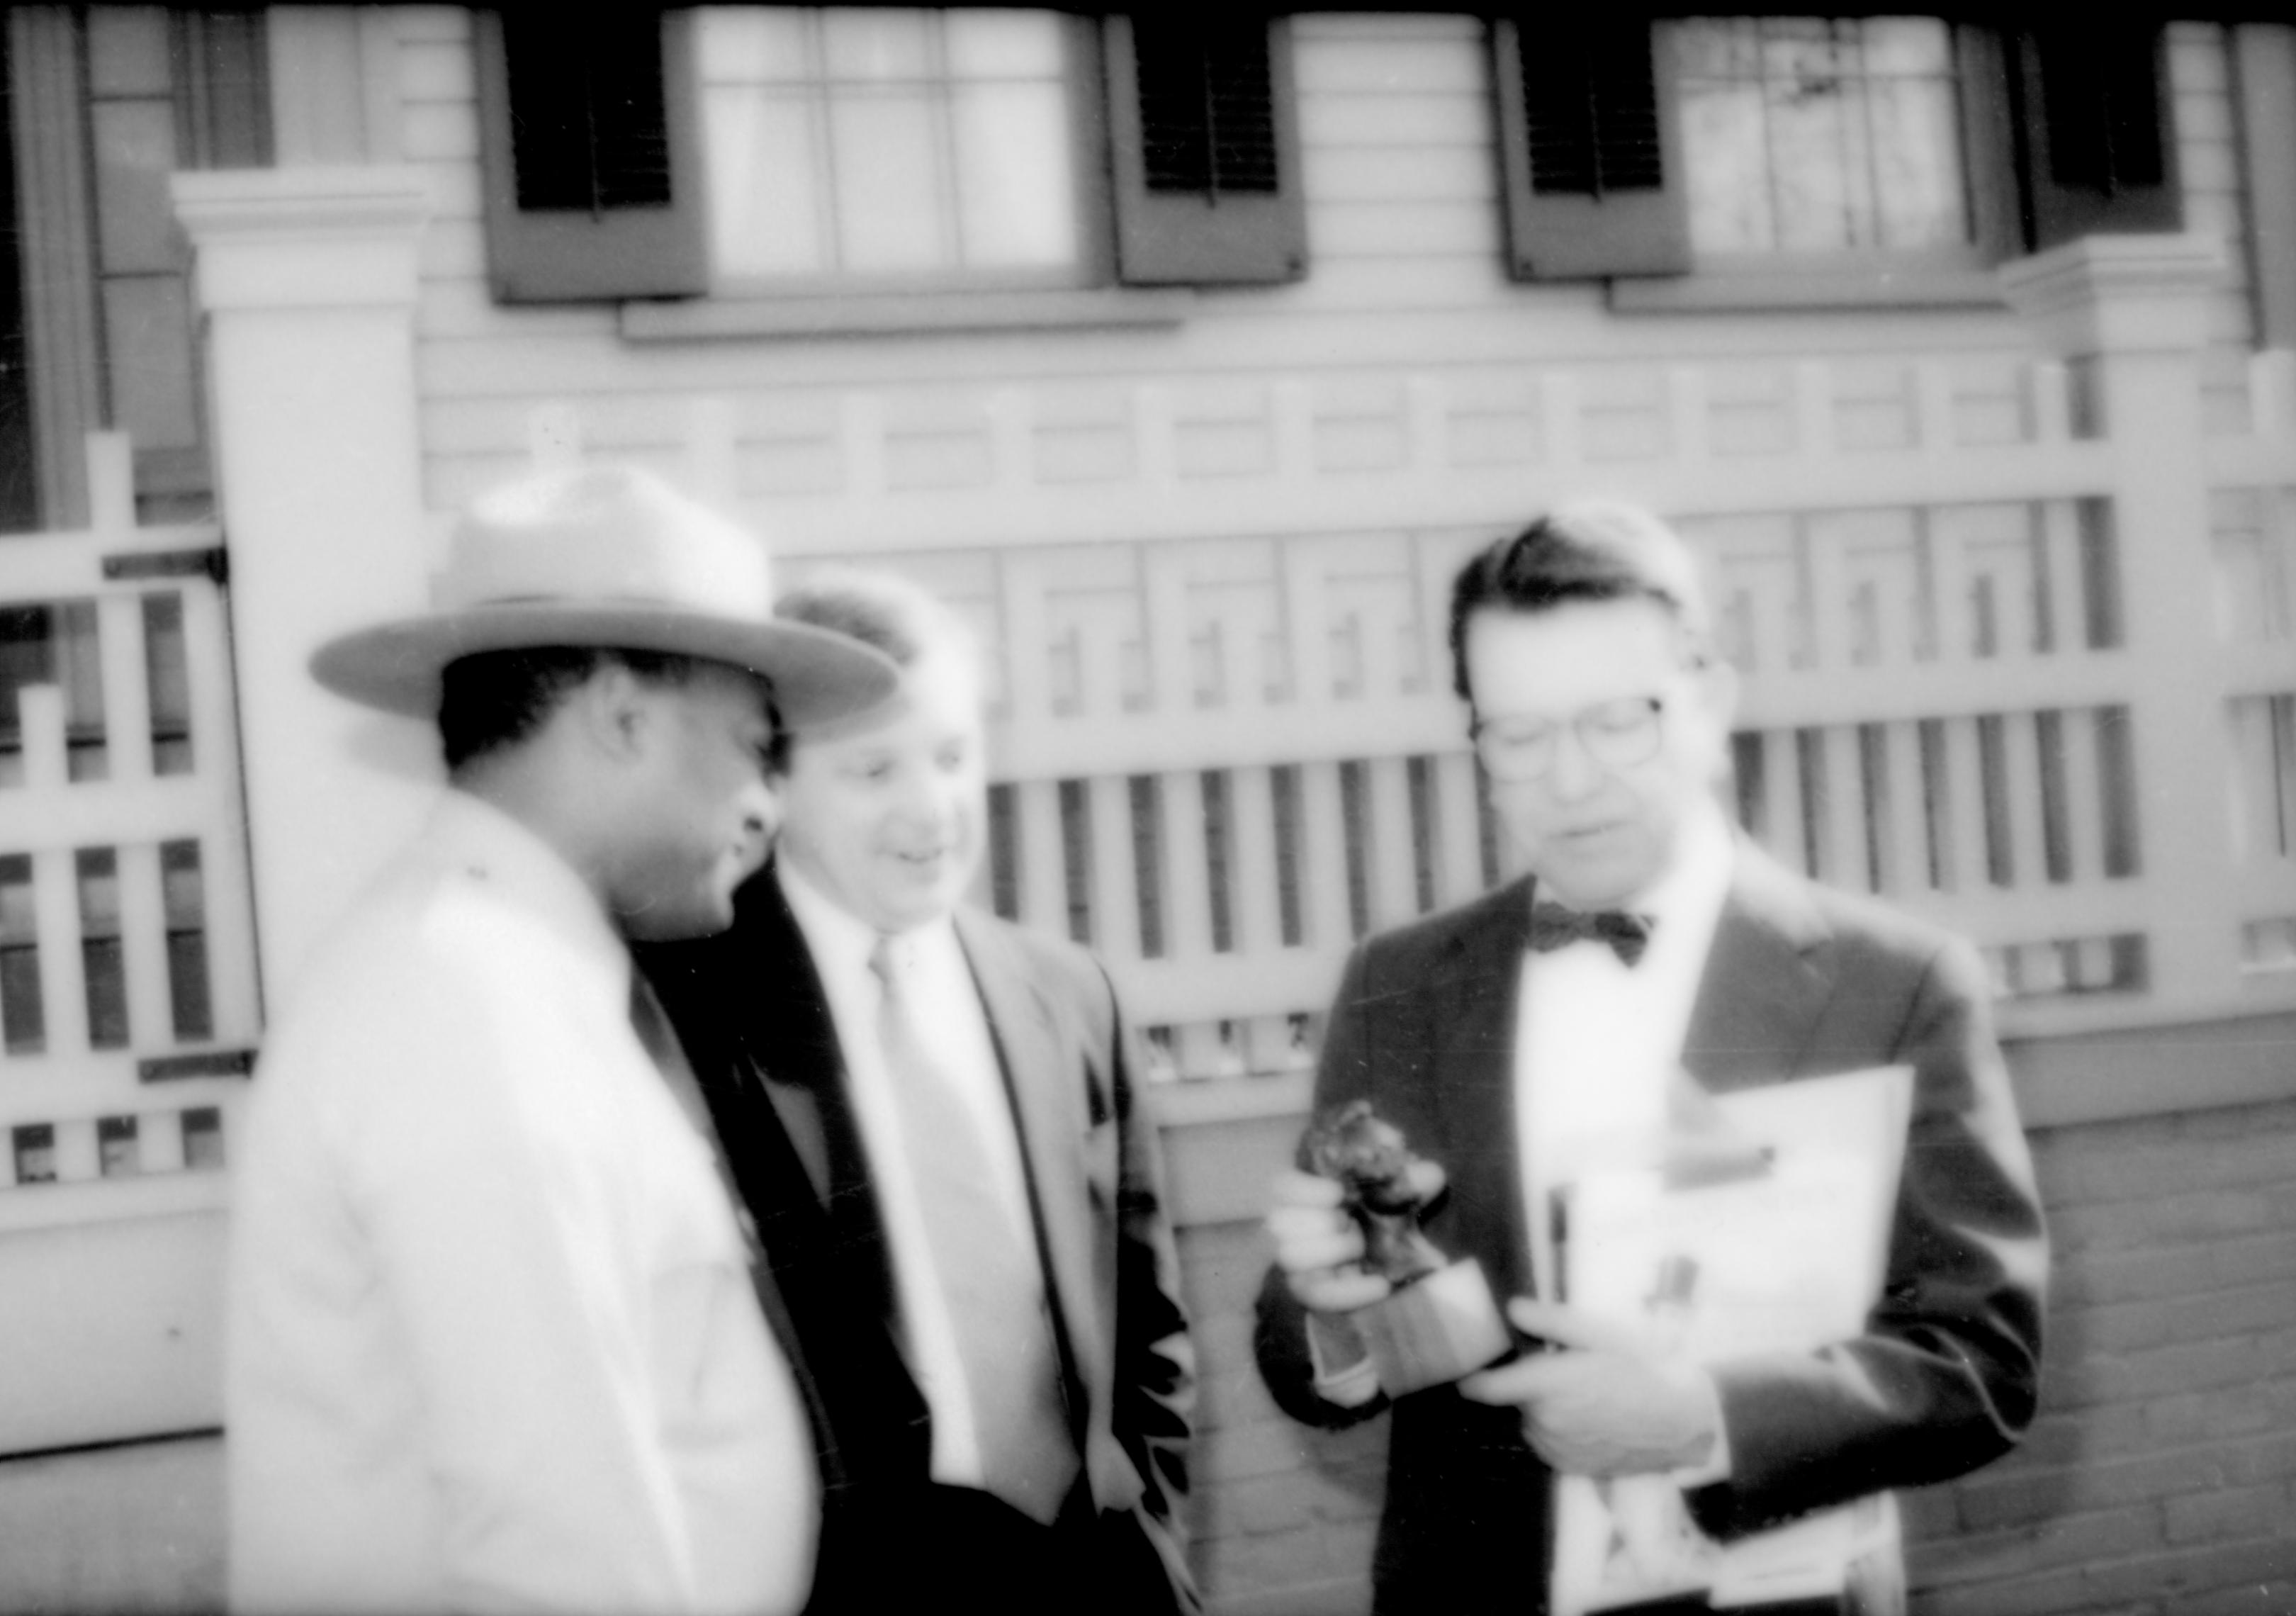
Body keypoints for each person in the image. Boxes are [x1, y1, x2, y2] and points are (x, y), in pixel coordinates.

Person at [1254, 502, 2047, 1615]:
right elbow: (1307, 1369)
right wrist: (1334, 1311)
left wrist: (1703, 1418)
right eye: (1517, 735)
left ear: (1711, 704)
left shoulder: (1893, 984)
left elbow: (1979, 1364)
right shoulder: (1399, 983)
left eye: (1618, 721)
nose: (1568, 782)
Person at [225, 466, 899, 1616]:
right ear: (621, 719)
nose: (765, 803)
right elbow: (560, 1549)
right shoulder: (463, 1006)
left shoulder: (505, 974)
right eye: (747, 744)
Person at [642, 568, 1198, 1615]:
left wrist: (1150, 1522)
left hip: (1095, 1575)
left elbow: (1148, 1320)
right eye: (873, 771)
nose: (929, 809)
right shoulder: (687, 1023)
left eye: (951, 757)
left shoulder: (1068, 998)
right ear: (773, 783)